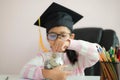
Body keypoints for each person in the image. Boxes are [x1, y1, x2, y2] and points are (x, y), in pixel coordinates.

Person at [20, 2, 101, 80]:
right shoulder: (44, 57)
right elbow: (24, 71)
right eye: (52, 35)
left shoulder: (78, 57)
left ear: (71, 37)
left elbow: (97, 53)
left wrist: (69, 43)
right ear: (47, 38)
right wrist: (48, 74)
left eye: (63, 35)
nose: (58, 40)